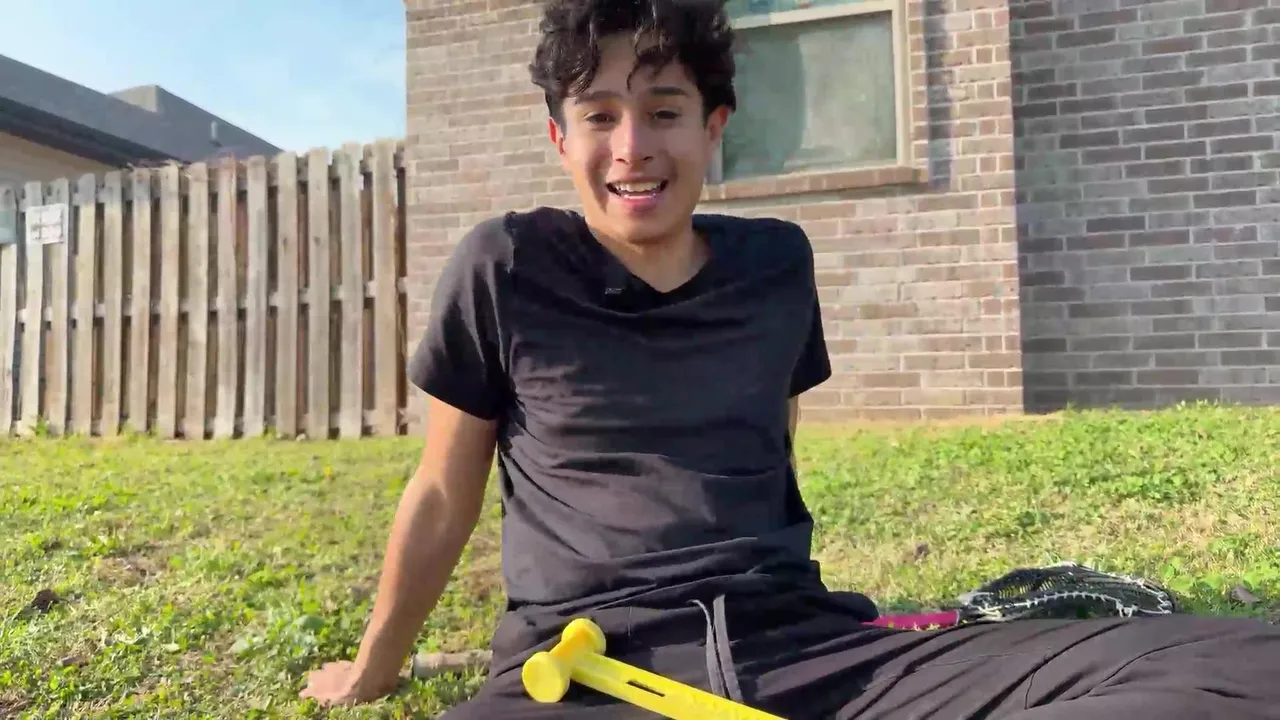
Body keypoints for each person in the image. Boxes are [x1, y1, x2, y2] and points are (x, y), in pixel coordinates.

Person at [300, 0, 1280, 717]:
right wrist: (374, 666)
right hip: (582, 668)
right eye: (598, 115)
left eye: (664, 110)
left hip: (804, 651)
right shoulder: (506, 267)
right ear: (559, 137)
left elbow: (770, 456)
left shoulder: (775, 266)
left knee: (1249, 666)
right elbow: (442, 491)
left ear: (713, 127)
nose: (631, 146)